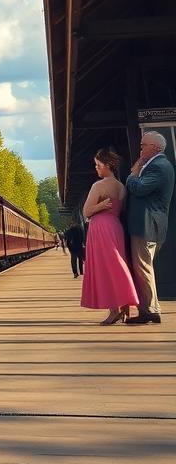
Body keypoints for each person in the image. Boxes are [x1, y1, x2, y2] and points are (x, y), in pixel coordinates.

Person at [80, 149, 139, 324]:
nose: (96, 169)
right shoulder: (121, 187)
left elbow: (86, 211)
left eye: (98, 165)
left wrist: (99, 206)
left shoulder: (98, 186)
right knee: (119, 263)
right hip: (115, 227)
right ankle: (125, 307)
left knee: (106, 268)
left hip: (100, 228)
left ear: (107, 165)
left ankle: (114, 310)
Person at [124, 130, 175, 325]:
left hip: (147, 225)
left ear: (155, 147)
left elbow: (140, 187)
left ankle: (150, 310)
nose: (141, 148)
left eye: (144, 145)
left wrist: (132, 175)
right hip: (150, 225)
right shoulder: (159, 165)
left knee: (143, 267)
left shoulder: (159, 166)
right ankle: (149, 308)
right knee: (145, 267)